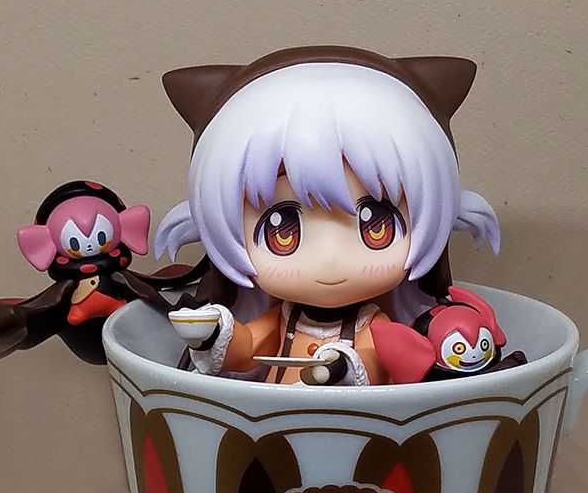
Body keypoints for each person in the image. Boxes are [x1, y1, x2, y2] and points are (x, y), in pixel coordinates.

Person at [157, 46, 501, 385]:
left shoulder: (375, 326)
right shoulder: (283, 319)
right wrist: (213, 336)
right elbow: (248, 349)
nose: (330, 259)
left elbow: (377, 361)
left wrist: (342, 370)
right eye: (283, 232)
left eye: (375, 226)